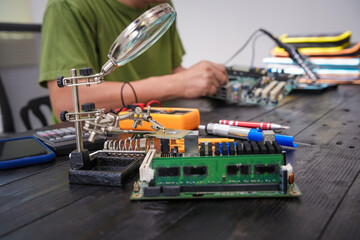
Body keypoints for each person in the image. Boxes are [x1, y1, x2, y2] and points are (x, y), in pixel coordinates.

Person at [39, 0, 228, 123]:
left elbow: (173, 71)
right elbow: (67, 100)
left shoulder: (160, 6)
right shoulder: (67, 5)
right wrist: (175, 84)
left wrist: (200, 80)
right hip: (96, 140)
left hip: (152, 129)